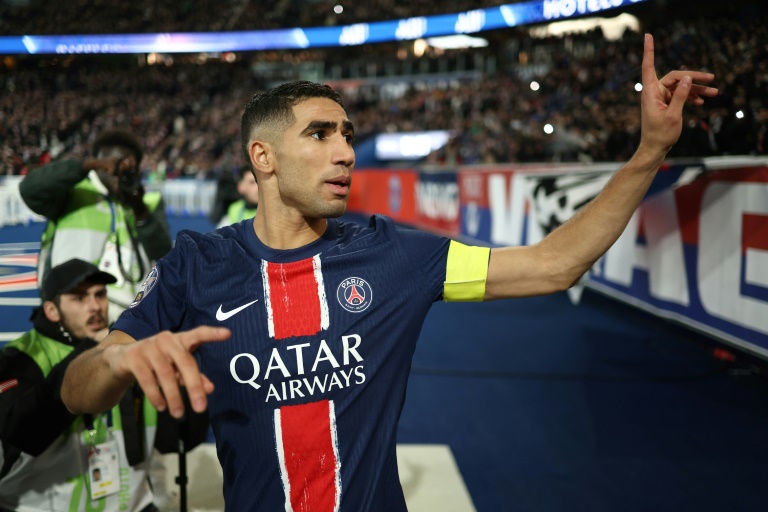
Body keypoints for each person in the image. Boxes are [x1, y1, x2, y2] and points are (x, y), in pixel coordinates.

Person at [61, 35, 718, 511]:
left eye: (348, 133)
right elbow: (77, 390)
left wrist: (649, 152)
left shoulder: (394, 254)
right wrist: (119, 362)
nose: (346, 150)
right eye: (320, 135)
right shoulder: (194, 266)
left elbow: (553, 264)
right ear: (262, 156)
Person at [0, 258, 209, 512]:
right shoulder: (19, 358)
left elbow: (177, 440)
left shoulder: (128, 348)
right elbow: (20, 433)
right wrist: (98, 351)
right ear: (52, 310)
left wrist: (186, 388)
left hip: (135, 505)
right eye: (79, 298)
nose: (95, 307)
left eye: (100, 295)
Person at [19, 129, 173, 324]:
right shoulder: (71, 192)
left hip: (129, 320)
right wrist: (83, 167)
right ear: (98, 162)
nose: (121, 171)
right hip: (74, 314)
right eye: (115, 163)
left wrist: (139, 208)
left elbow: (163, 252)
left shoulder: (147, 202)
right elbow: (30, 189)